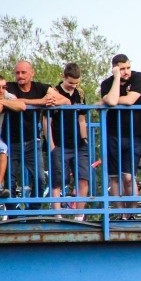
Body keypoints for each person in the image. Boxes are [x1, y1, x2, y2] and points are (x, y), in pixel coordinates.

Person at [6, 60, 70, 207]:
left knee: (40, 179)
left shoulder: (41, 87)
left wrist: (50, 100)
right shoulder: (9, 87)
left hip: (32, 140)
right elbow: (16, 102)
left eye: (24, 72)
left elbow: (65, 101)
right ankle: (13, 214)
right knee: (9, 180)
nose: (20, 76)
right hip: (11, 140)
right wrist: (41, 102)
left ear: (32, 73)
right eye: (17, 73)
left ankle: (33, 212)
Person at [100, 53, 141, 217]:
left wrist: (108, 100)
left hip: (134, 134)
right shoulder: (107, 83)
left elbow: (129, 101)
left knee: (128, 177)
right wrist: (116, 78)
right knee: (114, 177)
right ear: (114, 69)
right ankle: (121, 214)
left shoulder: (138, 78)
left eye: (127, 67)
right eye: (121, 69)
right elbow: (111, 101)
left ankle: (131, 213)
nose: (126, 72)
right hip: (112, 134)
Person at [46, 63, 91, 220]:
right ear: (63, 77)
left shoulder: (80, 93)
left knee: (84, 177)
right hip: (59, 143)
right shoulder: (54, 92)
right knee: (58, 180)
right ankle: (57, 215)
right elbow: (47, 120)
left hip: (79, 144)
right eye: (71, 82)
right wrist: (51, 144)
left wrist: (85, 139)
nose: (73, 86)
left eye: (76, 83)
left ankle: (79, 215)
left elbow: (81, 118)